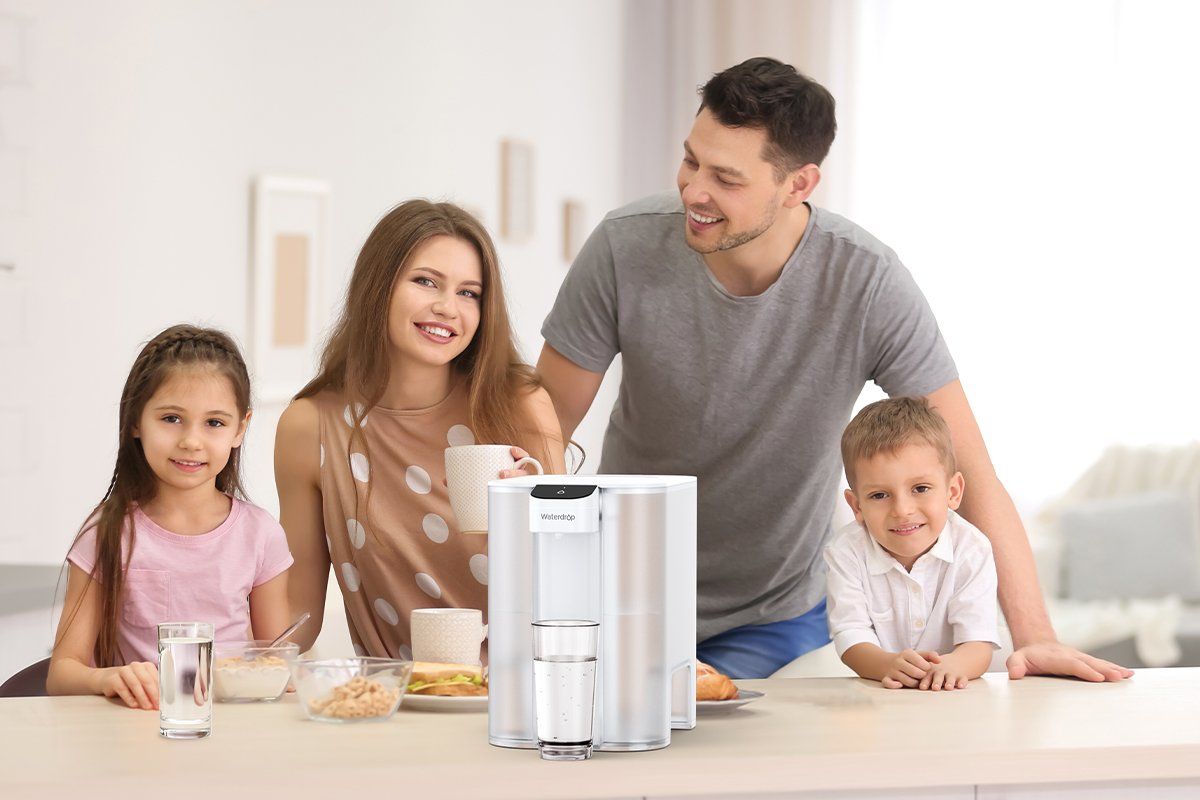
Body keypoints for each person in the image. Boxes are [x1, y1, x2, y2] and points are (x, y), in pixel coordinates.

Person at [536, 56, 1133, 681]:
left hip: (772, 618)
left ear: (799, 184)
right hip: (616, 598)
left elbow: (970, 471)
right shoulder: (624, 246)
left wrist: (1034, 638)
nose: (693, 190)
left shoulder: (866, 281)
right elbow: (540, 435)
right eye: (690, 160)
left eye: (726, 178)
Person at [275, 200, 563, 660]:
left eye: (469, 293)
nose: (447, 307)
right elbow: (295, 619)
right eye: (426, 281)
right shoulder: (311, 426)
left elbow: (569, 591)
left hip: (520, 701)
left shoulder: (521, 406)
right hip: (395, 708)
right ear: (378, 287)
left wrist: (541, 525)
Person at [47, 325, 292, 708]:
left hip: (239, 736)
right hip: (139, 735)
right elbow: (62, 674)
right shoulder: (107, 533)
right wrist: (110, 677)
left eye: (214, 423)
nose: (191, 441)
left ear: (240, 429)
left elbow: (279, 661)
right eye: (171, 418)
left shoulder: (261, 535)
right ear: (135, 421)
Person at [826, 397, 998, 690]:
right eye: (879, 495)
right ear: (856, 506)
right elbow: (851, 637)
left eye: (920, 488)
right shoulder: (845, 552)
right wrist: (886, 665)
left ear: (953, 492)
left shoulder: (973, 548)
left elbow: (978, 643)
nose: (902, 510)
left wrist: (954, 666)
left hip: (956, 699)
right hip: (882, 699)